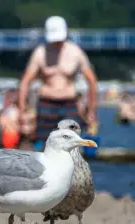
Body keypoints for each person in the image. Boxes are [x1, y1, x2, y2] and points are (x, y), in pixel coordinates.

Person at [18, 16, 97, 149]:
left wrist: (92, 111)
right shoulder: (40, 53)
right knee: (44, 145)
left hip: (69, 104)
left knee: (71, 145)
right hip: (46, 104)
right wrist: (22, 111)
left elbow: (92, 81)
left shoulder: (75, 52)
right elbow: (25, 82)